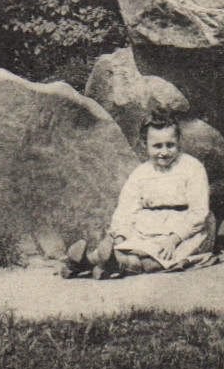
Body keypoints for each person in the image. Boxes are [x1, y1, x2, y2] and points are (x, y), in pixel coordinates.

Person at [64, 118, 214, 277]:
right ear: (144, 145)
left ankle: (115, 264)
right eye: (157, 146)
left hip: (185, 230)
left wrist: (174, 239)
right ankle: (85, 261)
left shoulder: (192, 167)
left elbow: (199, 211)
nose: (164, 152)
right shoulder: (141, 173)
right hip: (149, 227)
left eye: (170, 145)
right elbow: (126, 209)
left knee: (156, 261)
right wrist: (120, 235)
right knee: (126, 246)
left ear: (179, 142)